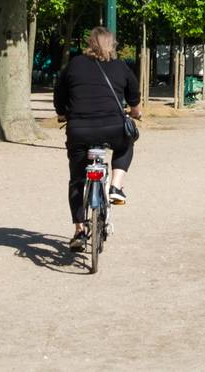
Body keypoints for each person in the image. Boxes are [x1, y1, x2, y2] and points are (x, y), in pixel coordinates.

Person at [54, 27, 141, 251]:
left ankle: (79, 231)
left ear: (89, 43)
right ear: (113, 44)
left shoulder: (74, 65)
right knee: (126, 144)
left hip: (79, 130)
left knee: (76, 180)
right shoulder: (121, 66)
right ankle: (115, 186)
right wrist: (136, 113)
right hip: (113, 129)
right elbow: (134, 97)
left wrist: (62, 113)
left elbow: (59, 94)